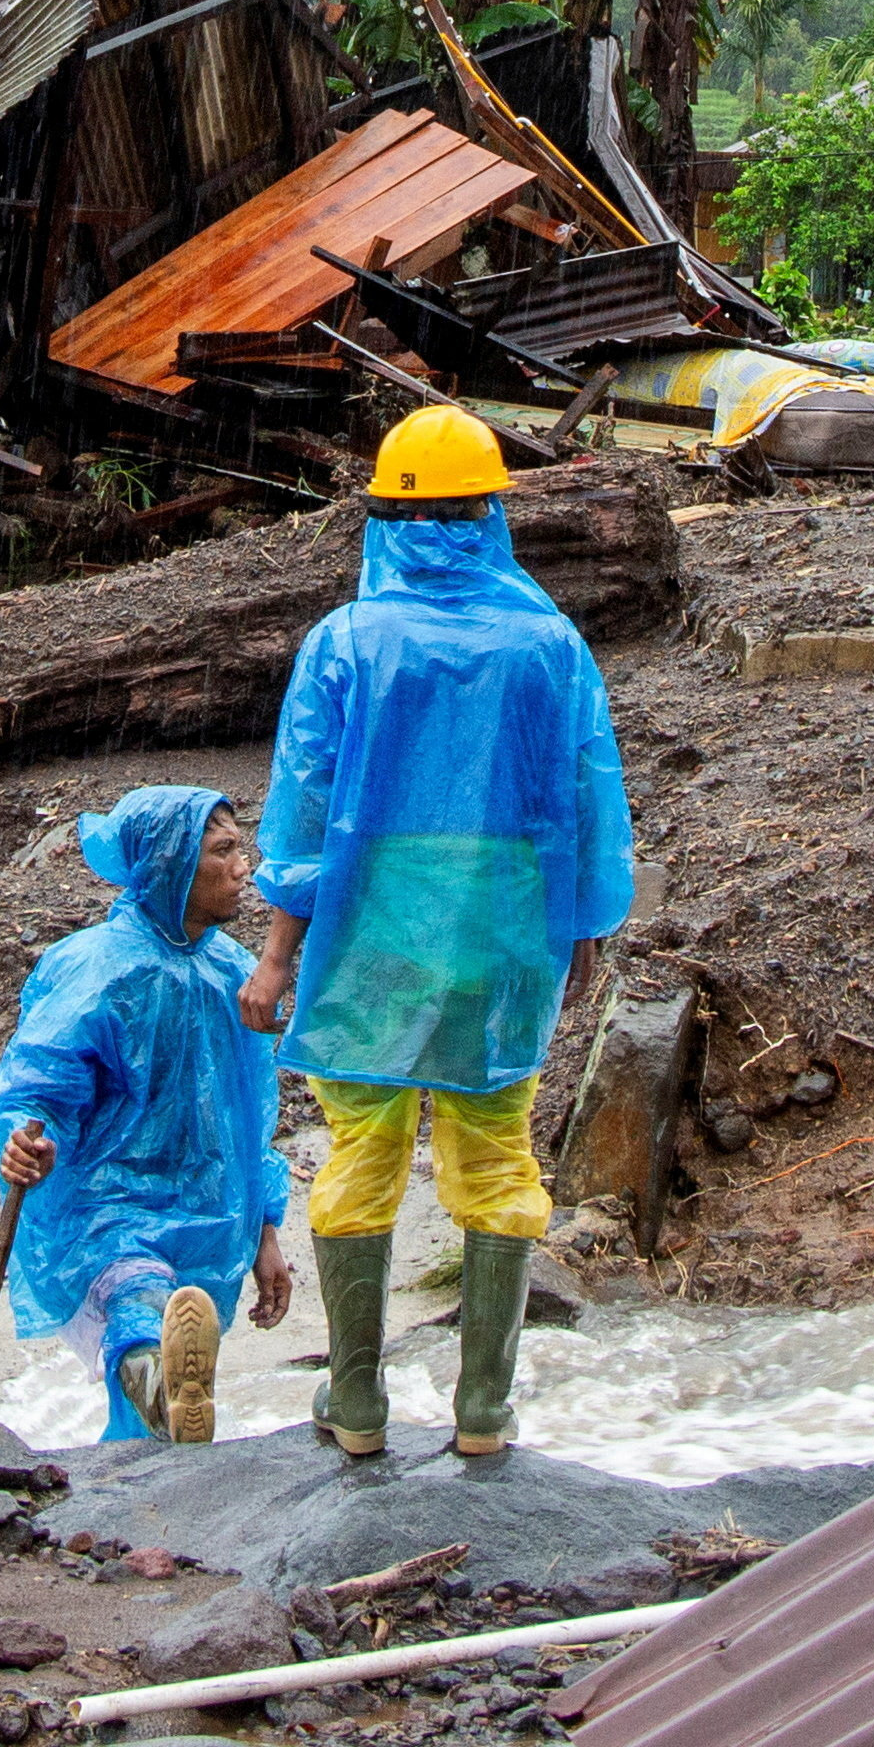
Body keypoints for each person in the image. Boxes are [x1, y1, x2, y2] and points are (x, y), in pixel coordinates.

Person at [241, 406, 634, 1458]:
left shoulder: (345, 643)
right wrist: (583, 933)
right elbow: (589, 796)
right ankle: (484, 1411)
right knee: (497, 1149)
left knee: (359, 1147)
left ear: (383, 519)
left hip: (369, 932)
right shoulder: (549, 645)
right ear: (492, 513)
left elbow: (306, 810)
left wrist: (278, 956)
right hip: (503, 935)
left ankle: (359, 1405)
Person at [0, 782, 293, 1443]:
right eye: (223, 851)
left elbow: (252, 1116)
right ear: (171, 862)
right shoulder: (97, 969)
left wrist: (266, 1230)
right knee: (137, 1310)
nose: (246, 869)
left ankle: (142, 1472)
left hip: (207, 1215)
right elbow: (39, 1082)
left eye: (241, 848)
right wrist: (22, 1139)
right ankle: (159, 1390)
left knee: (163, 1355)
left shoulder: (232, 971)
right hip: (109, 1206)